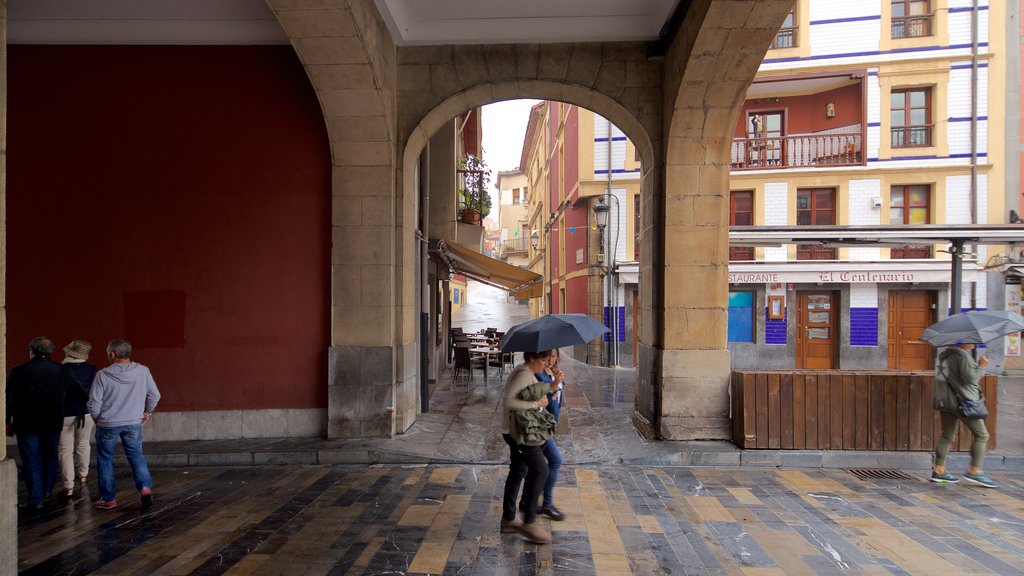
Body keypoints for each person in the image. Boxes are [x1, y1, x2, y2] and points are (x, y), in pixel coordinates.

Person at [88, 338, 161, 510]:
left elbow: (93, 403)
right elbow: (155, 395)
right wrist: (147, 413)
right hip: (133, 422)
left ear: (112, 354)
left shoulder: (102, 375)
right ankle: (144, 488)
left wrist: (98, 419)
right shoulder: (143, 371)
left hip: (108, 423)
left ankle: (108, 499)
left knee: (105, 458)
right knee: (136, 455)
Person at [6, 337, 65, 510]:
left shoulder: (18, 371)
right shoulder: (60, 370)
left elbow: (9, 399)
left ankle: (36, 497)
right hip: (53, 421)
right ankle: (47, 489)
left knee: (31, 459)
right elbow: (76, 392)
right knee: (50, 455)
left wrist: (6, 422)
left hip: (27, 423)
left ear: (31, 350)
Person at [500, 350, 552, 544]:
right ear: (532, 358)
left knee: (518, 471)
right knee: (541, 469)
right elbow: (510, 402)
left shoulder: (526, 372)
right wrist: (535, 404)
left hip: (513, 432)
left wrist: (539, 402)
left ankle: (508, 519)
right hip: (519, 435)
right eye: (543, 360)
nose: (545, 364)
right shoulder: (523, 374)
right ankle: (529, 522)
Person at [931, 342, 996, 488]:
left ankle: (939, 470)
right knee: (982, 435)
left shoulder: (943, 355)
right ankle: (975, 470)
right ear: (961, 341)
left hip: (945, 401)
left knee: (947, 435)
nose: (974, 344)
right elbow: (971, 379)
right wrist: (982, 365)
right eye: (971, 341)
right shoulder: (962, 356)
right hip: (963, 402)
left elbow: (945, 378)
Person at [58, 339, 97, 496]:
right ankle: (83, 475)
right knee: (83, 444)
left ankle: (68, 485)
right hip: (86, 412)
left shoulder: (60, 370)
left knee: (64, 449)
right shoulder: (92, 369)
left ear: (69, 353)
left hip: (64, 413)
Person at [534, 349, 565, 521]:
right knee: (555, 461)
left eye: (553, 357)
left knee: (534, 467)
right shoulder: (539, 375)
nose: (551, 360)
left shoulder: (553, 372)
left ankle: (529, 501)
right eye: (548, 357)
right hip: (541, 425)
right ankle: (546, 503)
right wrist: (552, 389)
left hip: (549, 423)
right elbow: (538, 397)